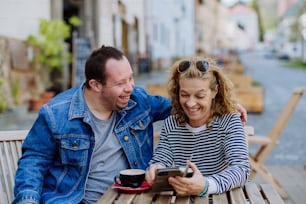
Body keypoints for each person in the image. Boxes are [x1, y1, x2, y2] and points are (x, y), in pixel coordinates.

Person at [13, 45, 247, 204]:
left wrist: (226, 104)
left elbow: (183, 104)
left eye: (131, 78)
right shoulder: (57, 113)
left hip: (131, 198)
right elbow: (34, 161)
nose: (131, 88)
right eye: (121, 82)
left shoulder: (138, 101)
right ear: (95, 85)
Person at [146, 57, 250, 197]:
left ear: (214, 91)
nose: (190, 103)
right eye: (184, 94)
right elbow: (161, 159)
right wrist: (156, 169)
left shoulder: (229, 121)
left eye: (200, 96)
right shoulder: (172, 124)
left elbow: (241, 169)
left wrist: (205, 186)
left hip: (219, 198)